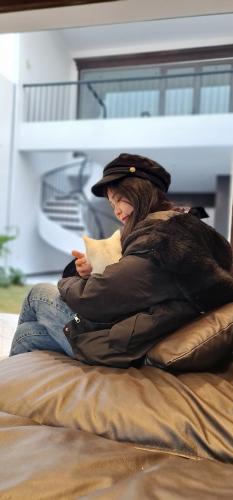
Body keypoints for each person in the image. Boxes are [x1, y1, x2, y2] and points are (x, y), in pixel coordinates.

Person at [10, 153, 233, 368]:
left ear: (140, 191)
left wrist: (69, 281)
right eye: (111, 204)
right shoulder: (182, 228)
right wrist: (88, 271)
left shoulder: (161, 240)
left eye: (119, 199)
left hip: (124, 345)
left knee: (38, 293)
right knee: (27, 334)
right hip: (141, 333)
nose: (117, 211)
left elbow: (93, 297)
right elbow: (135, 283)